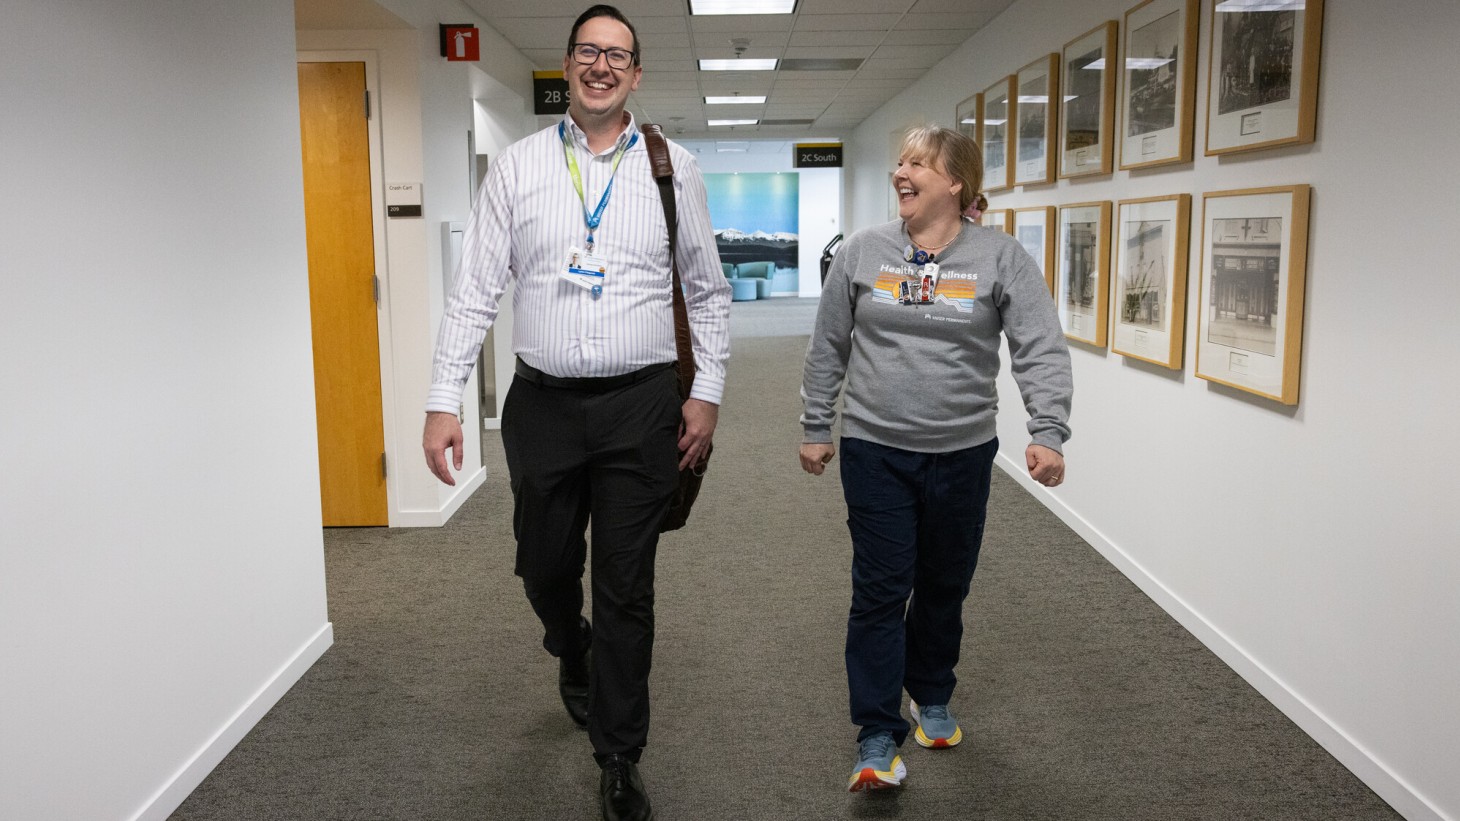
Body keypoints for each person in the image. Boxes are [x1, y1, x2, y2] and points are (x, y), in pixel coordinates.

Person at [422, 6, 730, 819]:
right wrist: (442, 397)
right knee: (544, 563)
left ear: (635, 74)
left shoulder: (674, 169)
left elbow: (707, 291)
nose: (601, 65)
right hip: (544, 406)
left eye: (617, 54)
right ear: (566, 65)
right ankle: (571, 643)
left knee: (627, 585)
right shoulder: (519, 168)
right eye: (587, 51)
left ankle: (621, 755)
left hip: (640, 404)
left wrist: (706, 393)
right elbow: (475, 291)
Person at [798, 124, 1072, 792]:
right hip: (876, 448)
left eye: (918, 163)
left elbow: (1039, 344)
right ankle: (876, 734)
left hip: (962, 452)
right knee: (881, 589)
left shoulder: (1000, 258)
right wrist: (816, 422)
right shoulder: (863, 251)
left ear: (956, 182)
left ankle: (932, 689)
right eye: (899, 161)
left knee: (945, 582)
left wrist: (1049, 429)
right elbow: (829, 343)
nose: (901, 171)